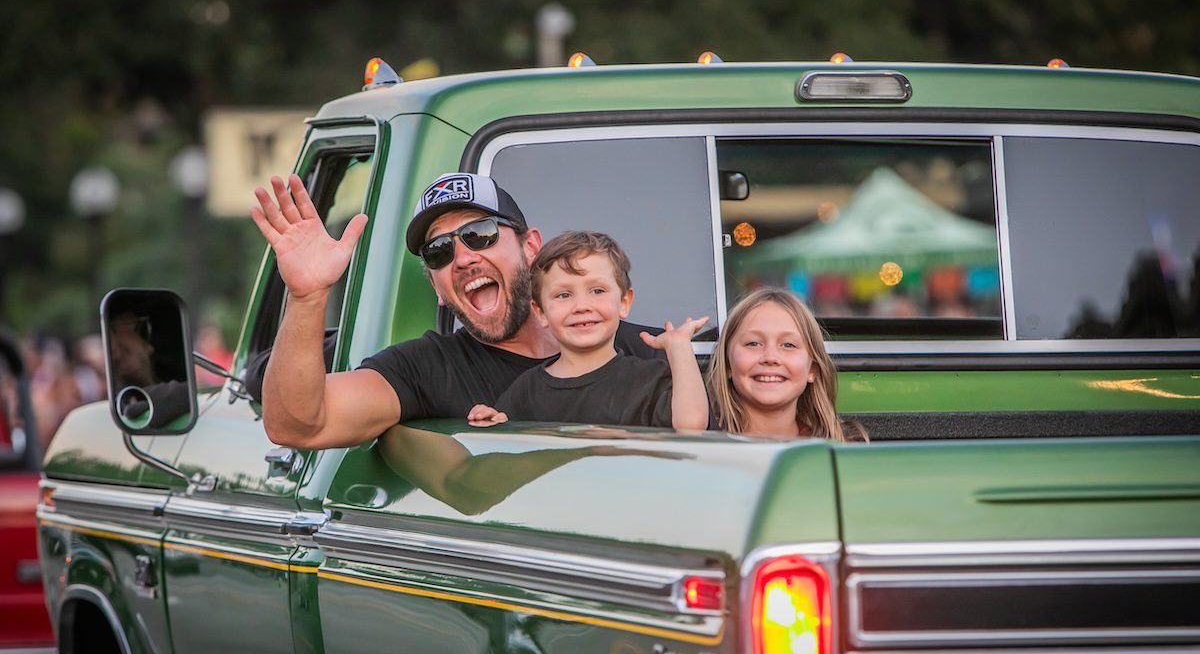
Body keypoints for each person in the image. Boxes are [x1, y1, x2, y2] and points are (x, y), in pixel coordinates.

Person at [249, 172, 659, 449]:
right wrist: (308, 297)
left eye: (479, 234)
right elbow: (298, 425)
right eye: (439, 250)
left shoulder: (645, 351)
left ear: (531, 247)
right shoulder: (427, 368)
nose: (462, 259)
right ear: (437, 288)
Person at [467, 231, 708, 430]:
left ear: (624, 302)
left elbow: (691, 426)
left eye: (597, 291)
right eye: (564, 295)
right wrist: (493, 422)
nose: (581, 306)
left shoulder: (651, 379)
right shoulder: (526, 390)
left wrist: (679, 348)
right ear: (540, 313)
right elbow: (510, 451)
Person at [709, 288, 863, 441]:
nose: (770, 357)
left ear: (812, 369)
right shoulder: (707, 446)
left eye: (788, 345)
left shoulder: (843, 448)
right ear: (727, 364)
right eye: (753, 343)